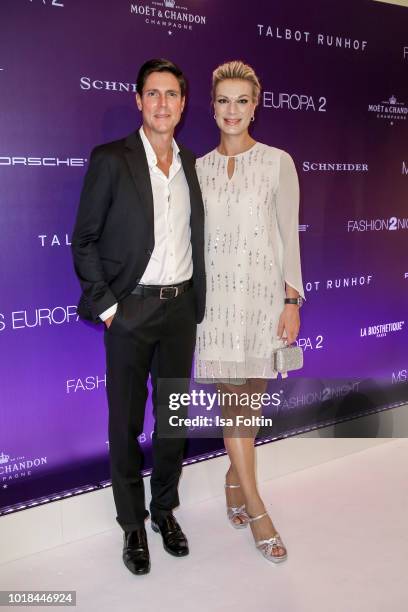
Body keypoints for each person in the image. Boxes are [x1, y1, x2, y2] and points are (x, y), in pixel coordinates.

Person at [71, 58, 205, 576]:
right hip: (131, 311)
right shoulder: (111, 159)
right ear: (138, 100)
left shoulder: (194, 164)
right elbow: (83, 240)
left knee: (172, 422)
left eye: (171, 94)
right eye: (153, 93)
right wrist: (108, 308)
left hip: (180, 311)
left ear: (182, 104)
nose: (162, 103)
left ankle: (164, 511)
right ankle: (132, 525)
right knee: (125, 424)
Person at [194, 60, 305, 563]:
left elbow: (289, 236)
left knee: (249, 407)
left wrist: (291, 299)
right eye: (223, 101)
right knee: (232, 405)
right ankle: (257, 506)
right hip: (215, 307)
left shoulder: (278, 161)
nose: (232, 110)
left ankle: (232, 481)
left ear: (255, 107)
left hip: (263, 303)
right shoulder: (198, 168)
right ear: (212, 107)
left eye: (242, 101)